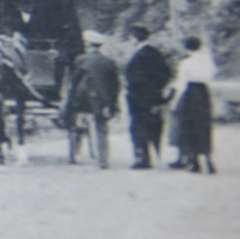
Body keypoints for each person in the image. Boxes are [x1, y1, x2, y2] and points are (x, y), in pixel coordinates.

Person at [63, 31, 120, 167]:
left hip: (82, 99)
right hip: (102, 99)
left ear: (88, 45)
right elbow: (115, 85)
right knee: (102, 128)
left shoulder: (81, 59)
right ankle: (103, 160)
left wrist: (69, 100)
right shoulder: (109, 62)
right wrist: (113, 103)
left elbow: (74, 80)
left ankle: (74, 155)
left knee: (77, 126)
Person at [124, 25, 171, 169]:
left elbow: (137, 78)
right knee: (152, 127)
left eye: (131, 37)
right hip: (153, 97)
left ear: (135, 38)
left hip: (140, 98)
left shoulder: (141, 56)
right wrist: (157, 90)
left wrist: (138, 90)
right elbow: (166, 73)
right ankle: (151, 155)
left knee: (138, 128)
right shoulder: (156, 53)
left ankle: (143, 158)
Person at [171, 35, 216, 174]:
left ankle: (194, 161)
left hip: (190, 93)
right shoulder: (207, 61)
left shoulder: (186, 62)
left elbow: (181, 83)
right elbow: (211, 76)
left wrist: (174, 100)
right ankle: (209, 161)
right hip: (203, 92)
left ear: (186, 47)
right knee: (203, 126)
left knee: (189, 126)